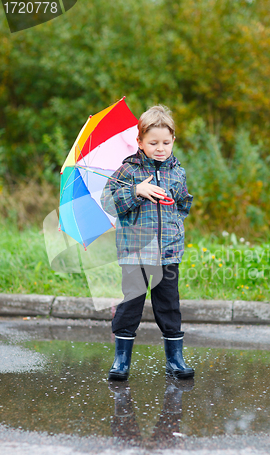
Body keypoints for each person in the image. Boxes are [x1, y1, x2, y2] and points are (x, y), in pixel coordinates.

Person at [101, 105, 194, 381]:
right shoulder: (128, 171)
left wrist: (174, 216)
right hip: (135, 253)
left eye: (166, 142)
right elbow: (109, 201)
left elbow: (184, 203)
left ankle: (175, 359)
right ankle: (121, 359)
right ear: (139, 142)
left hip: (168, 253)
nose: (160, 148)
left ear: (173, 140)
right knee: (131, 305)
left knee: (169, 305)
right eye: (153, 143)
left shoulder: (177, 173)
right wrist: (136, 191)